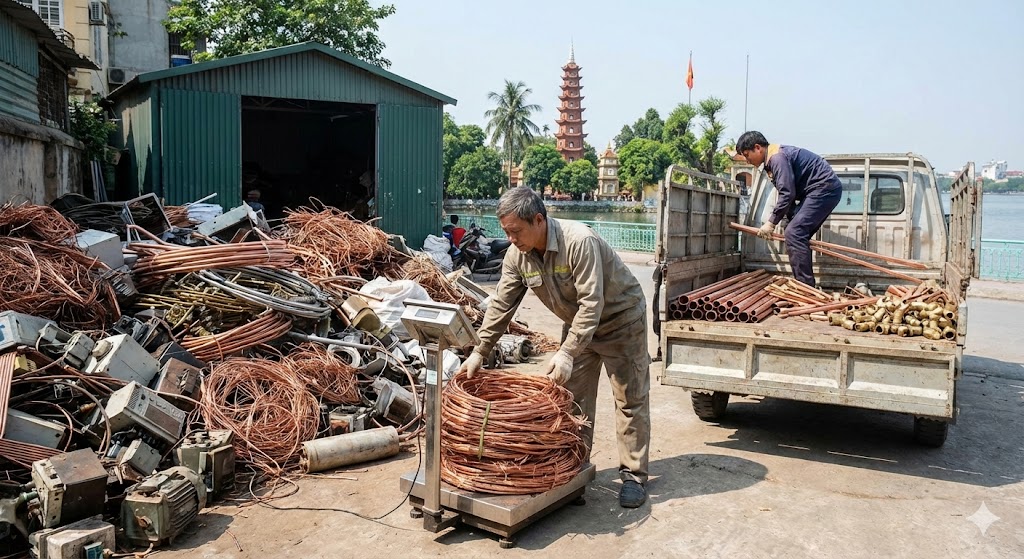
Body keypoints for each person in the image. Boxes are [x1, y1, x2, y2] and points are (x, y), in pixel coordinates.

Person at [457, 187, 652, 509]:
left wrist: (565, 352)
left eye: (516, 231)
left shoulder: (579, 242)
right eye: (506, 232)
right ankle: (574, 472)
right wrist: (480, 350)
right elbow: (501, 305)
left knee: (630, 401)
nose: (511, 238)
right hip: (578, 326)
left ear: (538, 219)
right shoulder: (516, 255)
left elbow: (593, 303)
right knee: (572, 402)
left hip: (621, 323)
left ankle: (633, 476)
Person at [736, 131, 843, 287]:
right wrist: (785, 220)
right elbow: (788, 197)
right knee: (792, 230)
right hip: (816, 191)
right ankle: (804, 282)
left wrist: (771, 223)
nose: (747, 160)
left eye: (747, 155)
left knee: (795, 232)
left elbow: (787, 193)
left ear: (757, 148)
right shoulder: (771, 161)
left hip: (824, 188)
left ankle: (805, 287)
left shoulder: (777, 158)